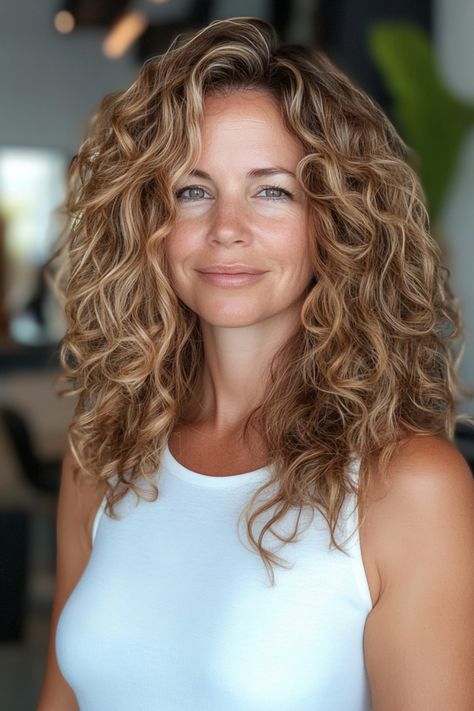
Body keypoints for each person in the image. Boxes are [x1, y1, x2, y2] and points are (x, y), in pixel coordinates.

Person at [37, 16, 474, 711]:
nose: (226, 228)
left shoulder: (408, 485)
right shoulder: (103, 457)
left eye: (271, 190)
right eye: (192, 189)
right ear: (149, 221)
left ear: (334, 219)